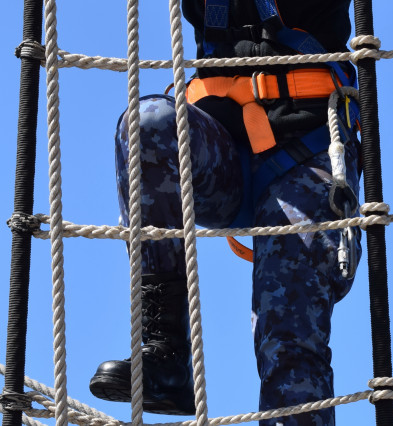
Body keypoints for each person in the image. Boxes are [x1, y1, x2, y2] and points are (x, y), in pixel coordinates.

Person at [88, 1, 361, 425]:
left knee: (287, 333)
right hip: (222, 159)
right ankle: (166, 354)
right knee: (149, 124)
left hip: (306, 151)